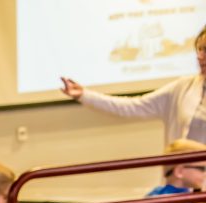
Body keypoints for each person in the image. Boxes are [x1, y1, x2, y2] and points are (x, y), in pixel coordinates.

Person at [60, 25, 206, 145]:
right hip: (182, 177)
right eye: (199, 49)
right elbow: (132, 106)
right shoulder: (183, 88)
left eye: (205, 49)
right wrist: (84, 95)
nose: (199, 56)